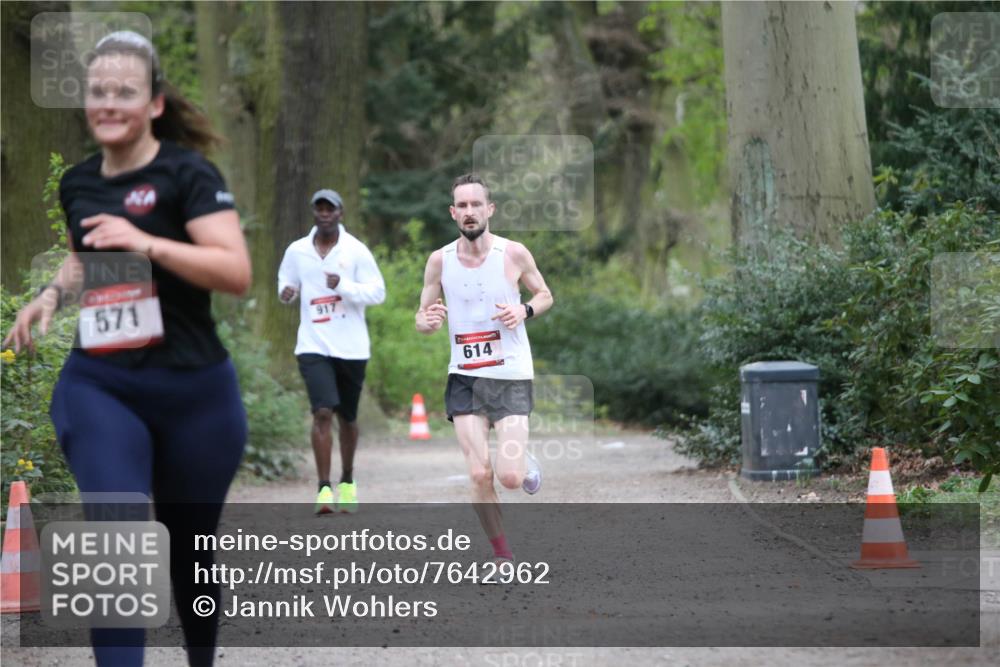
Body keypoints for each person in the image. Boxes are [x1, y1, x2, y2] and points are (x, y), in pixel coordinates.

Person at [3, 31, 250, 667]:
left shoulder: (187, 174)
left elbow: (234, 270)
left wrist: (149, 245)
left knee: (191, 550)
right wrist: (49, 299)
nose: (108, 103)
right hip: (102, 383)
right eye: (97, 91)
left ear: (155, 103)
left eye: (125, 92)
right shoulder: (81, 182)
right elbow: (88, 261)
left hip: (195, 391)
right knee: (114, 542)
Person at [415, 173, 553, 563]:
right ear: (453, 212)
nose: (470, 212)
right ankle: (502, 557)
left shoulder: (512, 254)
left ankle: (523, 464)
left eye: (477, 205)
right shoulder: (439, 261)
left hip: (510, 374)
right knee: (479, 474)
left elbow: (544, 295)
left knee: (509, 477)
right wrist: (425, 323)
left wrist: (523, 309)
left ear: (489, 209)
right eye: (462, 205)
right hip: (465, 376)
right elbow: (422, 315)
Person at [277, 189, 386, 514]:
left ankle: (348, 480)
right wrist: (286, 292)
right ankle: (324, 489)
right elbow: (285, 280)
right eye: (319, 209)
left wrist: (343, 285)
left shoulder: (355, 251)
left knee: (347, 418)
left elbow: (378, 293)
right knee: (322, 412)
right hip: (313, 344)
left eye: (330, 209)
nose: (324, 214)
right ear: (314, 213)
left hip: (351, 347)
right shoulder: (297, 250)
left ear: (340, 213)